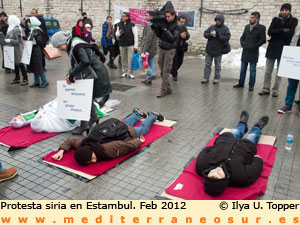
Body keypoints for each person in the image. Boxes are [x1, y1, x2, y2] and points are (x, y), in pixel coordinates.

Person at [52, 108, 164, 165]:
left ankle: (153, 116)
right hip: (116, 126)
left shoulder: (107, 150)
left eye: (92, 158)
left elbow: (126, 146)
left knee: (142, 129)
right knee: (125, 123)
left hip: (127, 134)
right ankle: (136, 114)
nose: (94, 161)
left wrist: (139, 141)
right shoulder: (86, 142)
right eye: (91, 161)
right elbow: (71, 141)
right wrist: (61, 151)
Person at [195, 111, 269, 196]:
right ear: (224, 180)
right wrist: (257, 159)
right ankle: (258, 126)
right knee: (252, 136)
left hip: (226, 140)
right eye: (219, 174)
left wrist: (213, 148)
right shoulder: (241, 178)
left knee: (235, 131)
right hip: (245, 146)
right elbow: (255, 169)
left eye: (211, 173)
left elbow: (203, 152)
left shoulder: (201, 167)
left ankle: (242, 124)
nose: (217, 170)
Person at [51, 31, 112, 135]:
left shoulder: (76, 45)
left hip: (96, 73)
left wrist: (71, 75)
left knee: (84, 97)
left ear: (63, 41)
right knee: (88, 97)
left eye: (59, 46)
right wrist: (69, 74)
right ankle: (93, 117)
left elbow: (85, 61)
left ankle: (84, 124)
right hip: (92, 73)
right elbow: (75, 63)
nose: (59, 49)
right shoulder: (74, 44)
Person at [259, 3, 298, 97]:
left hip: (284, 49)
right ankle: (265, 88)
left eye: (286, 10)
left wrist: (278, 32)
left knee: (279, 71)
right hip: (272, 48)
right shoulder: (275, 20)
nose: (284, 12)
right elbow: (270, 31)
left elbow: (290, 34)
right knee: (268, 70)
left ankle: (276, 89)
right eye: (282, 10)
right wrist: (283, 30)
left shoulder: (293, 21)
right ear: (280, 11)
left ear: (289, 11)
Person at [151, 8, 181, 97]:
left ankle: (163, 90)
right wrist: (157, 28)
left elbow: (172, 38)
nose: (167, 18)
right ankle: (169, 88)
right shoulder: (165, 23)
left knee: (166, 71)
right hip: (162, 48)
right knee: (161, 70)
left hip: (170, 49)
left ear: (173, 16)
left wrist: (164, 29)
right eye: (166, 16)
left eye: (168, 16)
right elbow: (159, 35)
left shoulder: (177, 26)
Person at [233, 12, 266, 91]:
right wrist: (243, 44)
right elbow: (242, 37)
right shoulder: (247, 27)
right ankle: (241, 83)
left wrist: (254, 46)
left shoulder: (261, 28)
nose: (250, 19)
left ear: (257, 19)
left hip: (253, 52)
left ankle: (251, 85)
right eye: (250, 17)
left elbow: (263, 40)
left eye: (252, 18)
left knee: (252, 70)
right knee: (243, 68)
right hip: (245, 51)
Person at [201, 13, 231, 84]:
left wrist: (219, 36)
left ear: (222, 21)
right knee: (207, 64)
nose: (217, 22)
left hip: (218, 50)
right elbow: (205, 34)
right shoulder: (211, 27)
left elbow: (227, 37)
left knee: (218, 65)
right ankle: (206, 77)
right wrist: (209, 35)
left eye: (219, 20)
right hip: (210, 49)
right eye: (216, 20)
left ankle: (216, 78)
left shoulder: (225, 29)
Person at [277, 25, 300, 116]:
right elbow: (293, 41)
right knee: (291, 84)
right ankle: (288, 105)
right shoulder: (298, 27)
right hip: (295, 59)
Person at [25, 17, 49, 88]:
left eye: (29, 22)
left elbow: (41, 41)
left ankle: (45, 81)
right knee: (34, 65)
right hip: (32, 49)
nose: (28, 23)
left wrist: (36, 36)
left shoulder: (37, 30)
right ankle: (36, 81)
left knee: (39, 65)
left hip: (37, 50)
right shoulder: (32, 30)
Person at [5, 15, 28, 85]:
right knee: (15, 64)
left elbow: (18, 41)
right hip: (12, 48)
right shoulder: (10, 28)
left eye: (9, 20)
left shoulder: (16, 29)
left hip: (17, 49)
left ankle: (25, 78)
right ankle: (17, 78)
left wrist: (10, 41)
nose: (7, 21)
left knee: (20, 64)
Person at [116, 12, 138, 79]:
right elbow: (116, 34)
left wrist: (136, 46)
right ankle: (124, 72)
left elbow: (135, 35)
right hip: (122, 44)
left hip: (130, 45)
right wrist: (119, 33)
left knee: (130, 59)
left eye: (123, 16)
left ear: (127, 17)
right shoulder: (119, 24)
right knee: (123, 59)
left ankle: (130, 73)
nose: (122, 17)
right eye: (121, 16)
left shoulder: (132, 25)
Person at [139, 11, 157, 84]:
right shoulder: (153, 24)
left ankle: (150, 74)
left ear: (151, 17)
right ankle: (148, 79)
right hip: (152, 48)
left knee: (141, 61)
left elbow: (148, 39)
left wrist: (144, 50)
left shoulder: (150, 25)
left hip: (148, 48)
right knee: (149, 62)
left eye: (147, 15)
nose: (145, 17)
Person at [171, 16, 190, 81]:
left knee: (180, 61)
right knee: (175, 61)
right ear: (178, 21)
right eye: (181, 21)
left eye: (184, 22)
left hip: (182, 47)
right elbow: (172, 36)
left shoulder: (184, 28)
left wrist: (185, 36)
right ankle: (174, 75)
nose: (182, 23)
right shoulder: (175, 27)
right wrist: (180, 35)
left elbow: (188, 35)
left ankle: (172, 70)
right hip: (175, 47)